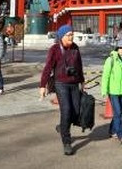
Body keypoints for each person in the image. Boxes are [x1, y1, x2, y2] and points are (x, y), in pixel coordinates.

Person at [39, 25, 85, 156]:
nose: (71, 37)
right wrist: (42, 86)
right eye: (69, 35)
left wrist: (82, 80)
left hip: (74, 83)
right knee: (66, 110)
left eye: (72, 34)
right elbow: (48, 68)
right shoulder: (54, 49)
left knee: (76, 111)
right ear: (62, 36)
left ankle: (62, 126)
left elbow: (79, 65)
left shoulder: (75, 48)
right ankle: (67, 142)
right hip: (61, 84)